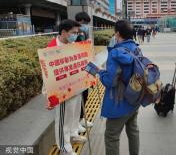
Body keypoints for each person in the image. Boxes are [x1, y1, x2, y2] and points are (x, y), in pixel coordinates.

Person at [96, 20, 140, 155]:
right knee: (133, 130)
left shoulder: (115, 53)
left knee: (111, 136)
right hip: (134, 97)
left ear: (118, 33)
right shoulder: (136, 48)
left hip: (118, 101)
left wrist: (100, 72)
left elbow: (110, 82)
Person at [45, 20, 86, 155]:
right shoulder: (51, 48)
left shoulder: (73, 45)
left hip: (75, 86)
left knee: (74, 113)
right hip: (61, 91)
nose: (76, 35)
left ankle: (73, 133)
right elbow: (47, 74)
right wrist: (49, 96)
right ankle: (63, 145)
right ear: (63, 32)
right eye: (73, 33)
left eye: (77, 32)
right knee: (63, 118)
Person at [75, 12, 94, 132]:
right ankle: (76, 122)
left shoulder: (83, 33)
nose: (85, 25)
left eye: (86, 23)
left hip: (85, 68)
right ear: (79, 21)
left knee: (85, 94)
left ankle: (81, 118)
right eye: (84, 23)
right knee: (78, 97)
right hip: (76, 71)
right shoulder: (73, 33)